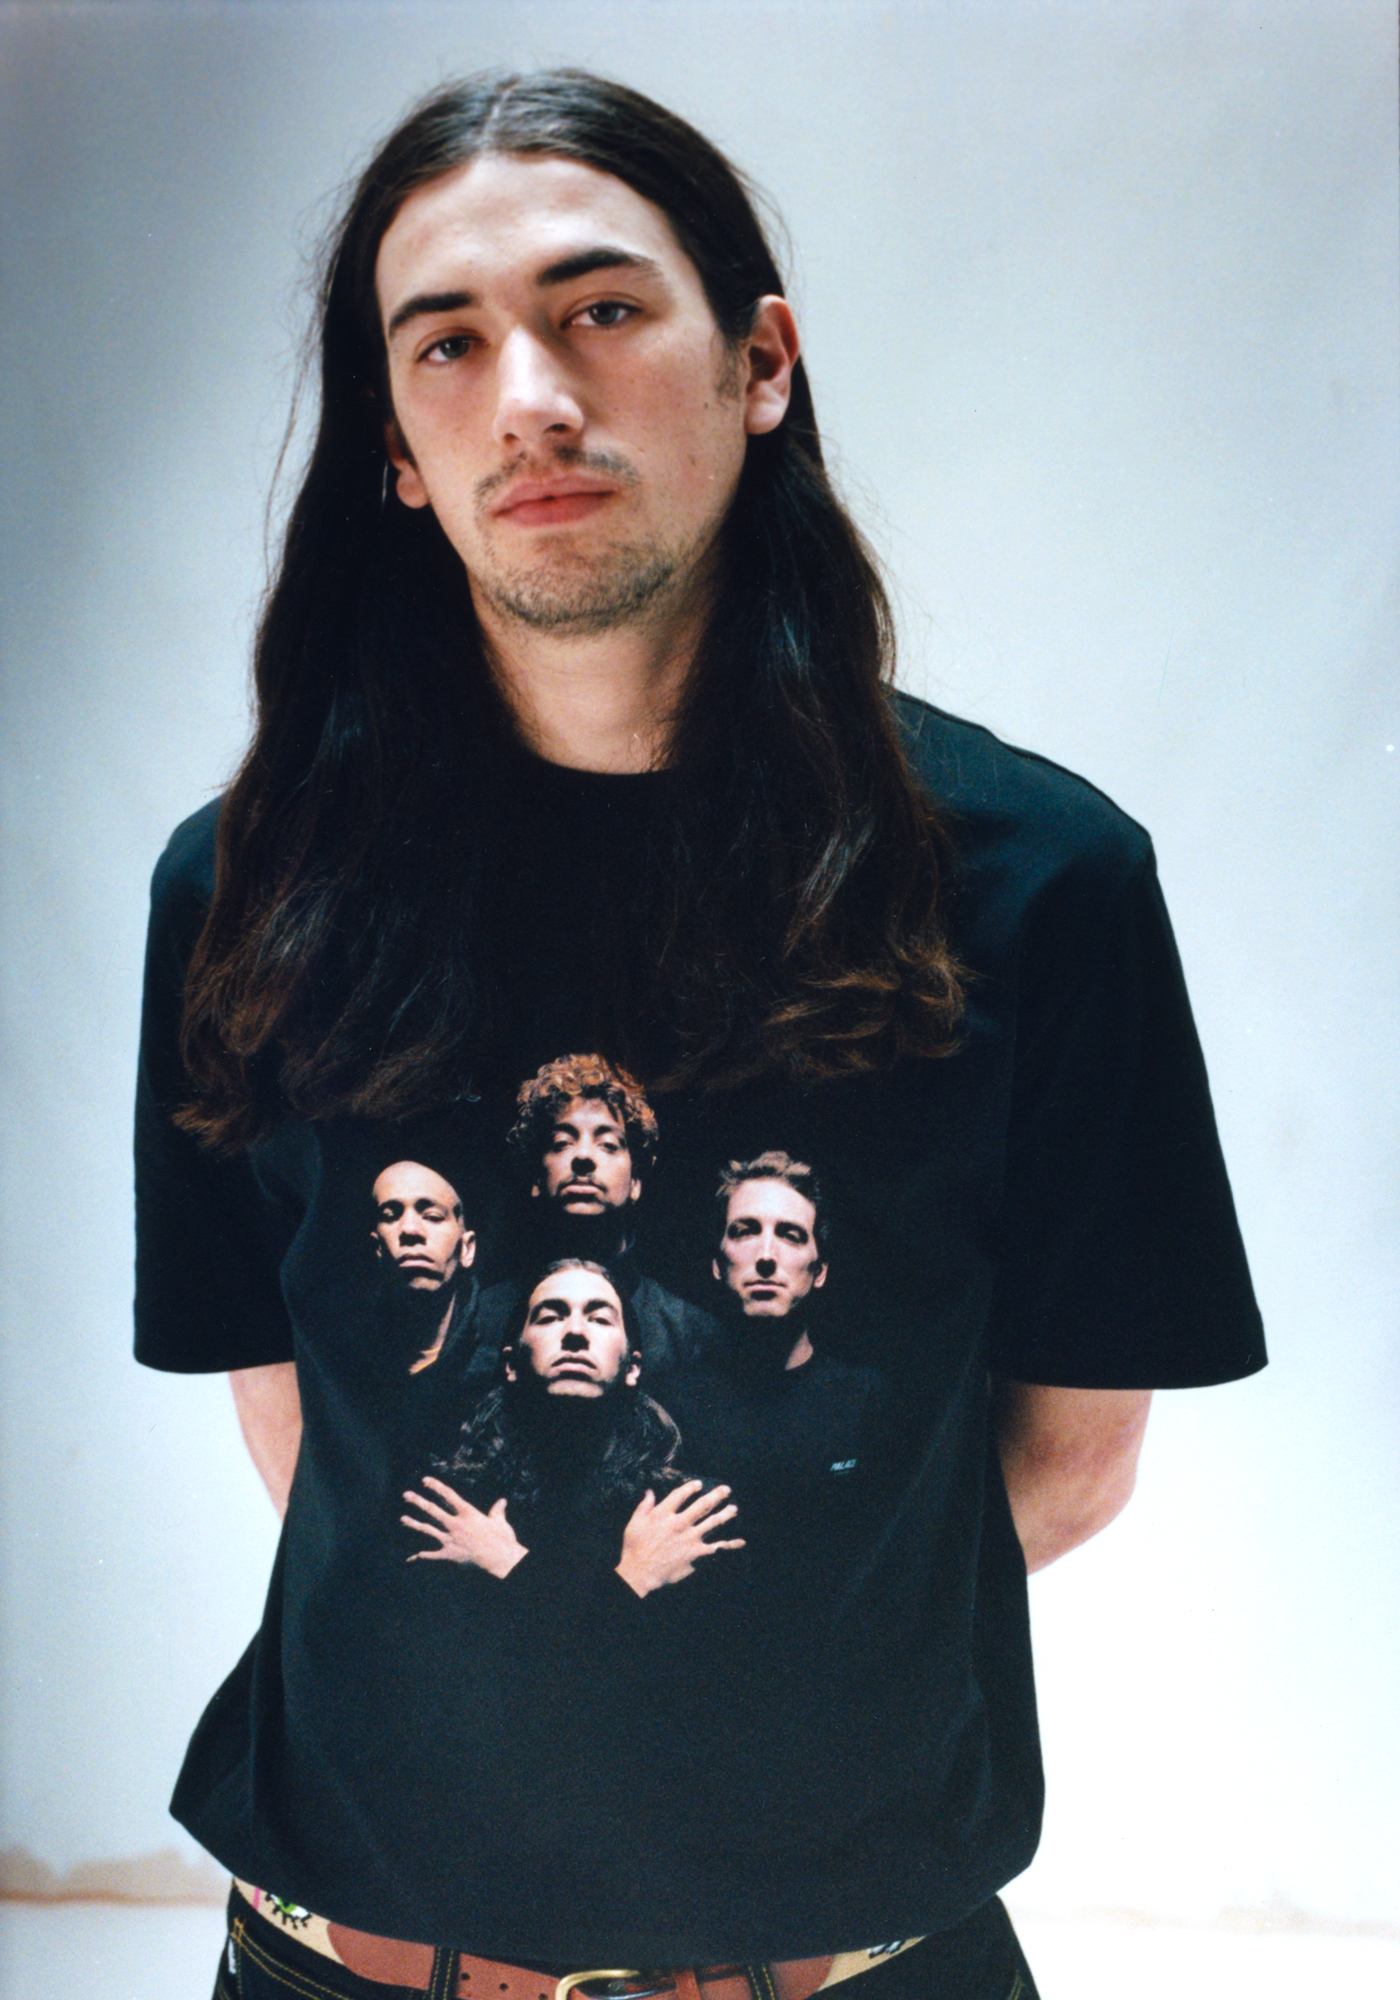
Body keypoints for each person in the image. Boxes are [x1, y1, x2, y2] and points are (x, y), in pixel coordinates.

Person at [133, 67, 1266, 2000]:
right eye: (449, 346)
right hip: (353, 1957)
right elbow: (306, 1410)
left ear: (761, 365)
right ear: (397, 448)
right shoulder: (248, 891)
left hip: (859, 1961)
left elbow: (1073, 1461)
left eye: (600, 310)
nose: (532, 399)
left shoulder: (1038, 883)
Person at [402, 1257, 741, 1597]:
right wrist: (634, 1581)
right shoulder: (454, 1508)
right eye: (549, 1317)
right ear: (511, 1364)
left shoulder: (685, 1517)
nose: (576, 1333)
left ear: (632, 1368)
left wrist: (509, 1567)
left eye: (599, 1318)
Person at [467, 1053, 722, 1378]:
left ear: (635, 1182)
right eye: (561, 1143)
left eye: (608, 1144)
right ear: (535, 1177)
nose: (583, 1157)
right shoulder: (479, 1322)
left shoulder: (690, 1336)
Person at [370, 1159, 478, 1375]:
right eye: (391, 1216)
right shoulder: (340, 1352)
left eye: (432, 1216)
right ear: (378, 1248)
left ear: (466, 1249)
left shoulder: (497, 1341)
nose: (409, 1229)